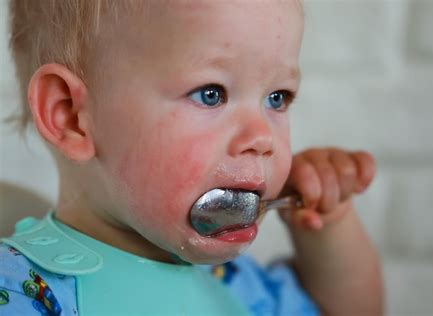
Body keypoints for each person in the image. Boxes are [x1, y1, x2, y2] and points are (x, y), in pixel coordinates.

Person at [0, 0, 383, 315]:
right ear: (71, 116)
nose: (263, 138)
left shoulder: (231, 283)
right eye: (211, 94)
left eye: (277, 97)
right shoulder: (22, 293)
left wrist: (326, 223)